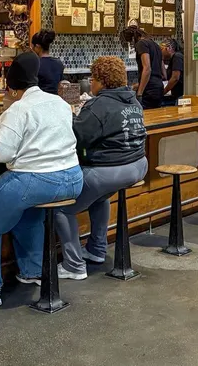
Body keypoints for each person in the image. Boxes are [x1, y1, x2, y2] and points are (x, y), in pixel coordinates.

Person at [0, 51, 83, 307]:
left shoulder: (18, 110)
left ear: (12, 88)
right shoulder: (59, 103)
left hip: (36, 180)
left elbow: (1, 153)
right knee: (28, 216)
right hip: (73, 178)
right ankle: (32, 271)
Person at [55, 56, 148, 279]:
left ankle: (73, 265)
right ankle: (96, 250)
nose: (91, 82)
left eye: (93, 78)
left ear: (102, 81)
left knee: (61, 209)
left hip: (111, 170)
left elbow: (78, 137)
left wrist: (68, 117)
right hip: (138, 164)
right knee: (100, 197)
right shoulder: (133, 101)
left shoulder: (99, 105)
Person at [121, 24, 164, 109]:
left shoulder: (141, 43)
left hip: (149, 90)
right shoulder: (155, 44)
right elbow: (163, 73)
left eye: (130, 42)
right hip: (159, 87)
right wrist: (139, 84)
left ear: (133, 38)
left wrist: (139, 93)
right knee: (156, 114)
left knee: (144, 115)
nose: (131, 44)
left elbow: (147, 68)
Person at [31, 29, 65, 95]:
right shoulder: (59, 63)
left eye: (33, 47)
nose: (32, 50)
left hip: (39, 99)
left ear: (37, 46)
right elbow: (60, 85)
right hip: (55, 99)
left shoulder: (35, 64)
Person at [160, 39, 184, 106]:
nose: (160, 52)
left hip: (181, 96)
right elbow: (165, 76)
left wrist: (163, 92)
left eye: (161, 49)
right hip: (177, 95)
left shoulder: (177, 57)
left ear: (169, 48)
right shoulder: (174, 58)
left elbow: (175, 78)